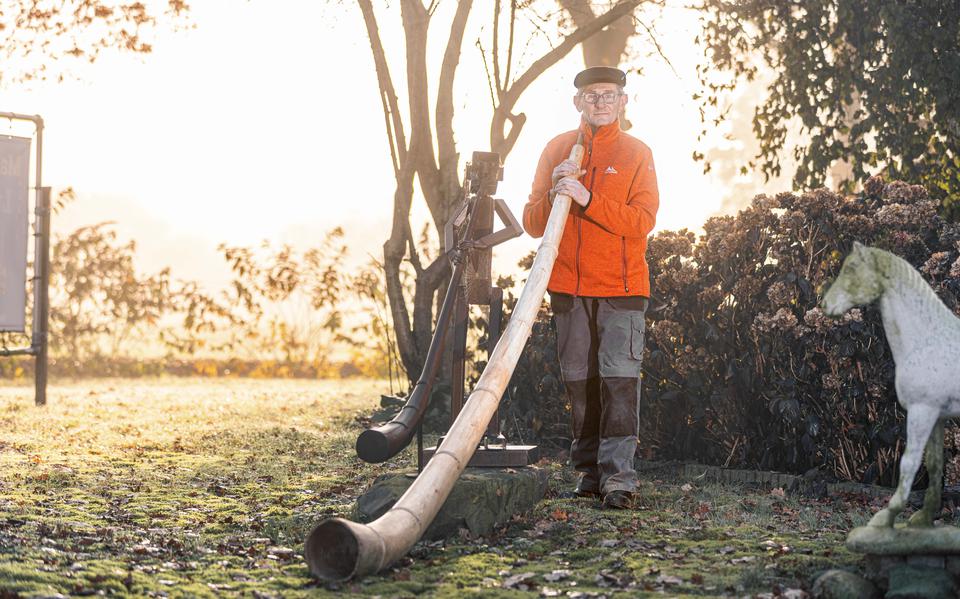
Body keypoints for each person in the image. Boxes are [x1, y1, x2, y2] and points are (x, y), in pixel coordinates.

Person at [522, 66, 659, 509]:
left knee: (619, 383)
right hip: (569, 288)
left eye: (609, 94)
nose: (600, 102)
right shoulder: (556, 150)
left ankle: (620, 478)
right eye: (591, 95)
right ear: (577, 101)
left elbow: (642, 221)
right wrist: (555, 191)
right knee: (579, 382)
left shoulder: (637, 152)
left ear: (624, 101)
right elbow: (532, 223)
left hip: (622, 289)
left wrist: (587, 198)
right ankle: (588, 473)